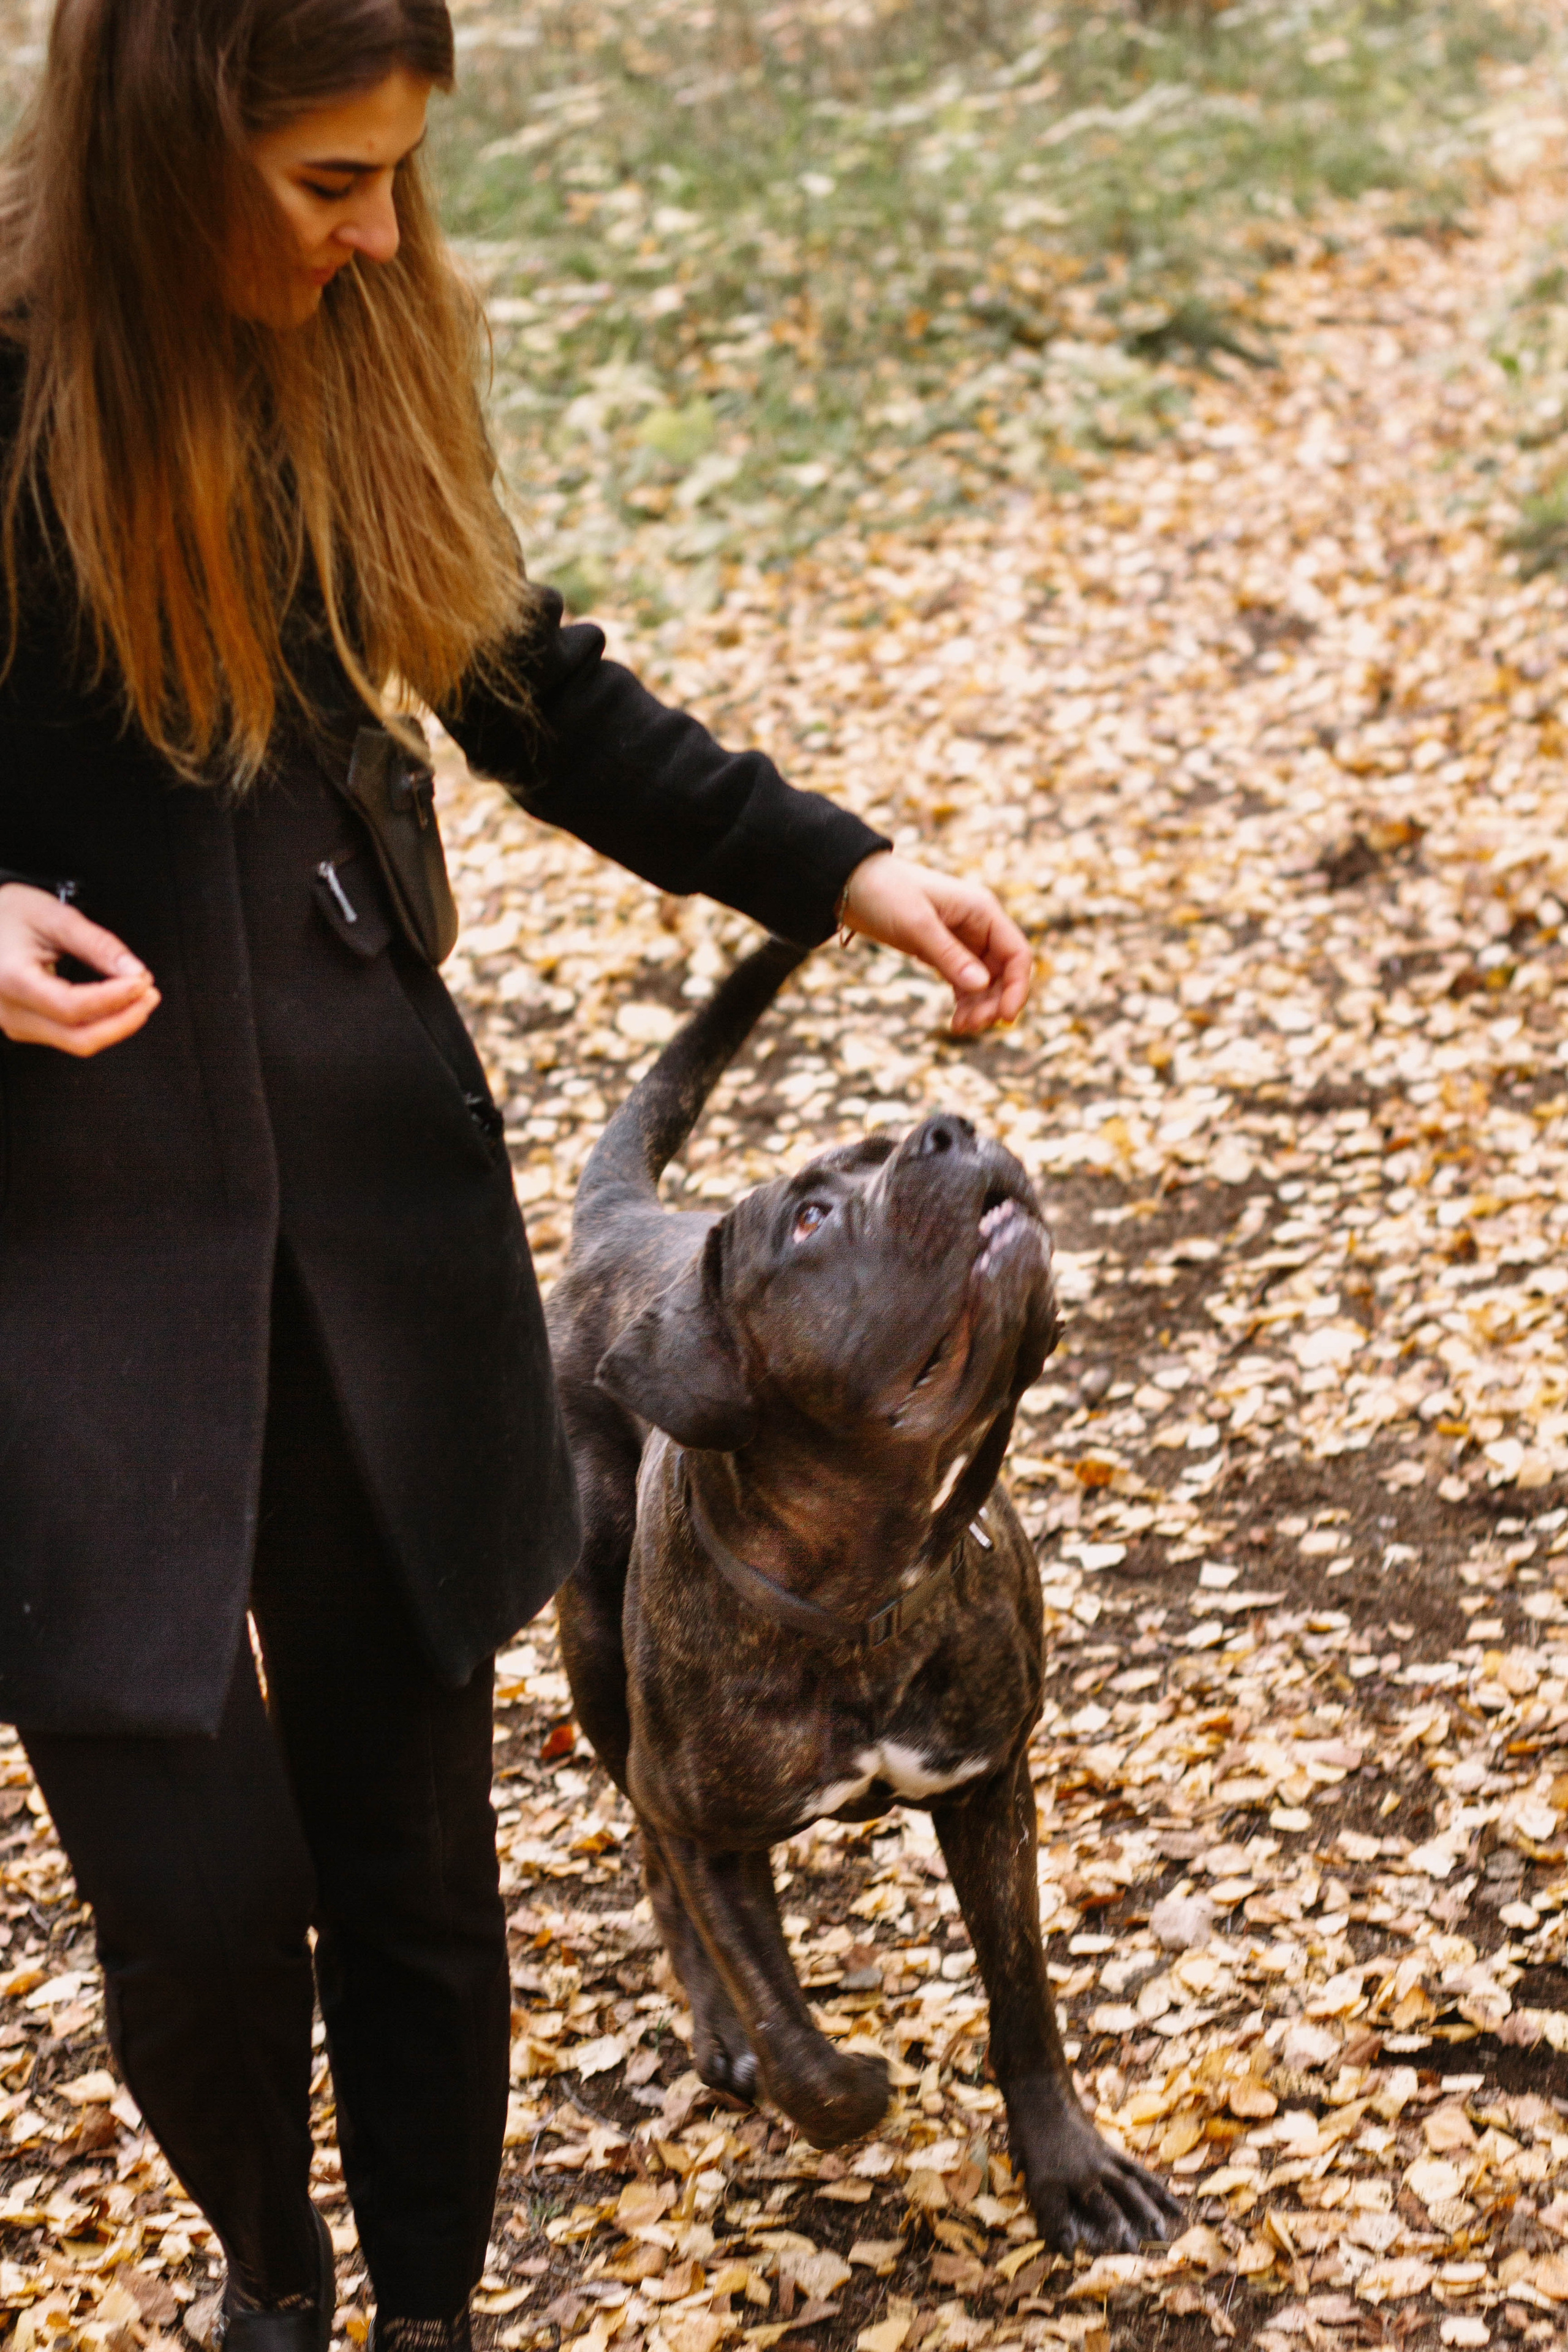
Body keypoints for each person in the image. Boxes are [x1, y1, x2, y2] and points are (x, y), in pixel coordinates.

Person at [0, 3, 1033, 2349]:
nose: (382, 238)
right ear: (169, 146)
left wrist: (839, 865)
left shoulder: (354, 348)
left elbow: (524, 681)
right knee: (183, 1887)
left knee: (413, 1852)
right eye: (329, 183)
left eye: (398, 177)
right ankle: (272, 2283)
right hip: (55, 1267)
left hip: (375, 1219)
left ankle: (437, 2315)